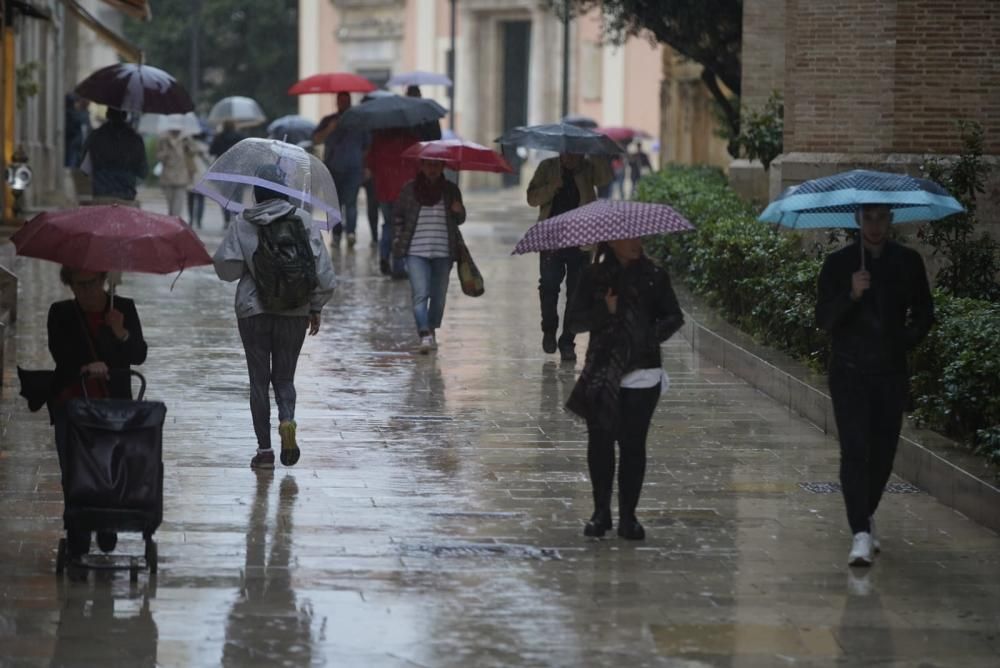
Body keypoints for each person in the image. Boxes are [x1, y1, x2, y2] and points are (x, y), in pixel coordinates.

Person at [816, 203, 933, 567]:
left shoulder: (908, 262)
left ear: (891, 219)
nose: (875, 224)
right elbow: (824, 319)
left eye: (882, 217)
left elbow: (925, 313)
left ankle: (865, 514)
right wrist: (851, 295)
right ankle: (860, 533)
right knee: (854, 450)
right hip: (849, 371)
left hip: (889, 372)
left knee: (882, 454)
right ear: (857, 219)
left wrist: (904, 340)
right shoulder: (839, 264)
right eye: (868, 217)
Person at [213, 165, 336, 470]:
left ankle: (264, 451)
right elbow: (324, 274)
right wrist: (315, 306)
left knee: (258, 380)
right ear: (285, 190)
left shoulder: (243, 221)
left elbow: (225, 269)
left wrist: (249, 263)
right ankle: (287, 420)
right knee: (284, 377)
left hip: (253, 312)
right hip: (294, 310)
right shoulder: (304, 220)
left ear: (255, 191)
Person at [565, 239, 683, 540]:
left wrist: (644, 336)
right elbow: (575, 322)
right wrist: (606, 310)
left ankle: (629, 517)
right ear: (612, 242)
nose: (635, 244)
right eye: (627, 239)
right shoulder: (593, 276)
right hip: (602, 371)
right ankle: (600, 512)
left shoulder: (655, 275)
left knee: (633, 445)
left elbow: (674, 317)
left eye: (637, 238)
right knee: (600, 443)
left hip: (643, 372)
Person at [48, 266, 148, 557]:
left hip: (112, 407)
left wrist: (121, 332)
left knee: (109, 468)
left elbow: (138, 353)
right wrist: (85, 368)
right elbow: (60, 355)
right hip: (73, 404)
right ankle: (77, 532)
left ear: (104, 281)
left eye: (91, 284)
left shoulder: (123, 308)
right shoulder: (61, 312)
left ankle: (106, 523)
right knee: (74, 471)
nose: (85, 292)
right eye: (78, 285)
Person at [527, 152, 613, 361]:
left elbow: (605, 179)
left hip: (581, 240)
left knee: (576, 293)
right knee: (548, 286)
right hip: (551, 238)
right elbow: (531, 198)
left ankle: (567, 342)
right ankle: (549, 329)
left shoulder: (588, 167)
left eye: (577, 151)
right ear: (561, 151)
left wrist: (598, 156)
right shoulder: (547, 167)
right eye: (568, 152)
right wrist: (552, 187)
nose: (572, 157)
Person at [392, 158, 466, 353]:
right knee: (420, 294)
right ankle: (424, 333)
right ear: (421, 166)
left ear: (442, 166)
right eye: (428, 164)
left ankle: (431, 328)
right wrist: (399, 240)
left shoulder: (451, 190)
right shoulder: (410, 189)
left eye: (436, 165)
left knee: (439, 298)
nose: (432, 169)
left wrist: (459, 211)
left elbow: (460, 219)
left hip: (443, 252)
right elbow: (398, 216)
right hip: (415, 251)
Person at [313, 92, 371, 249]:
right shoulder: (328, 120)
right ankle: (337, 234)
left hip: (354, 168)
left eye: (346, 101)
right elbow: (316, 139)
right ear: (337, 102)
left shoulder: (359, 122)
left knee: (351, 203)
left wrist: (365, 166)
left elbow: (367, 147)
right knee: (334, 205)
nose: (343, 103)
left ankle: (351, 232)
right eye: (341, 100)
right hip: (333, 168)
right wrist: (330, 129)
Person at [367, 128, 420, 278]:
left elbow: (370, 163)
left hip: (384, 189)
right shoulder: (411, 139)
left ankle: (384, 255)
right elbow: (418, 165)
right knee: (402, 227)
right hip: (405, 190)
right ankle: (398, 266)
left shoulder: (379, 139)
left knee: (389, 224)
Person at [79, 107, 147, 202]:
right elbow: (143, 172)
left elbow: (84, 170)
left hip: (101, 194)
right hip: (126, 195)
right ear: (125, 116)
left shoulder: (95, 137)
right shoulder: (135, 139)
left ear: (107, 115)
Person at [210, 121, 247, 227]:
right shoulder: (240, 137)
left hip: (223, 171)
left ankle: (226, 220)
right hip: (238, 171)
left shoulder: (218, 137)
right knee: (238, 197)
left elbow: (211, 151)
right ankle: (236, 217)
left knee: (225, 197)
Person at [156, 129, 195, 218]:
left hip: (181, 175)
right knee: (170, 206)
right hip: (167, 176)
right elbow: (158, 157)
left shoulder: (185, 139)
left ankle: (175, 222)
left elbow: (193, 153)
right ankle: (172, 223)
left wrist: (189, 143)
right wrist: (165, 151)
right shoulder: (163, 139)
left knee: (177, 207)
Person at [186, 131, 211, 229]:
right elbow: (210, 160)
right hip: (202, 174)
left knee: (190, 199)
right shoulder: (204, 147)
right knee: (200, 199)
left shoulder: (187, 147)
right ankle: (199, 221)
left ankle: (191, 219)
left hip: (190, 174)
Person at [64, 94, 91, 169]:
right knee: (71, 166)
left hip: (82, 147)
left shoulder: (85, 115)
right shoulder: (71, 114)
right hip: (73, 147)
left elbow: (88, 131)